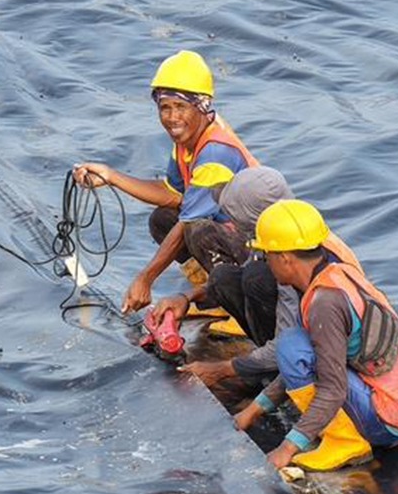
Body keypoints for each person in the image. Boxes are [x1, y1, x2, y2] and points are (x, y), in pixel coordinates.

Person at [231, 200, 398, 470]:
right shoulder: (338, 273)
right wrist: (254, 410)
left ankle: (345, 442)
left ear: (285, 258)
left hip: (389, 422)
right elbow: (308, 360)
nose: (267, 265)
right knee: (296, 346)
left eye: (267, 256)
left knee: (290, 345)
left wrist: (288, 447)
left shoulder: (325, 302)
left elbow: (331, 386)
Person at [70, 50, 258, 314]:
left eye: (180, 107)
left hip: (262, 255)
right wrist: (110, 177)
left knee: (196, 230)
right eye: (165, 107)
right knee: (162, 219)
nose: (171, 118)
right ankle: (216, 295)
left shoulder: (215, 153)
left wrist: (145, 279)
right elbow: (172, 194)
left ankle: (241, 306)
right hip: (233, 235)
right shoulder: (188, 141)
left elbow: (188, 222)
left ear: (202, 105)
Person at [147, 165, 289, 387]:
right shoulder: (266, 240)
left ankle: (273, 368)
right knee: (225, 276)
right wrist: (186, 298)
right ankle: (265, 361)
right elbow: (240, 271)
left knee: (254, 277)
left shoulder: (292, 261)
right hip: (284, 334)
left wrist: (224, 369)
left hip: (300, 345)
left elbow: (296, 339)